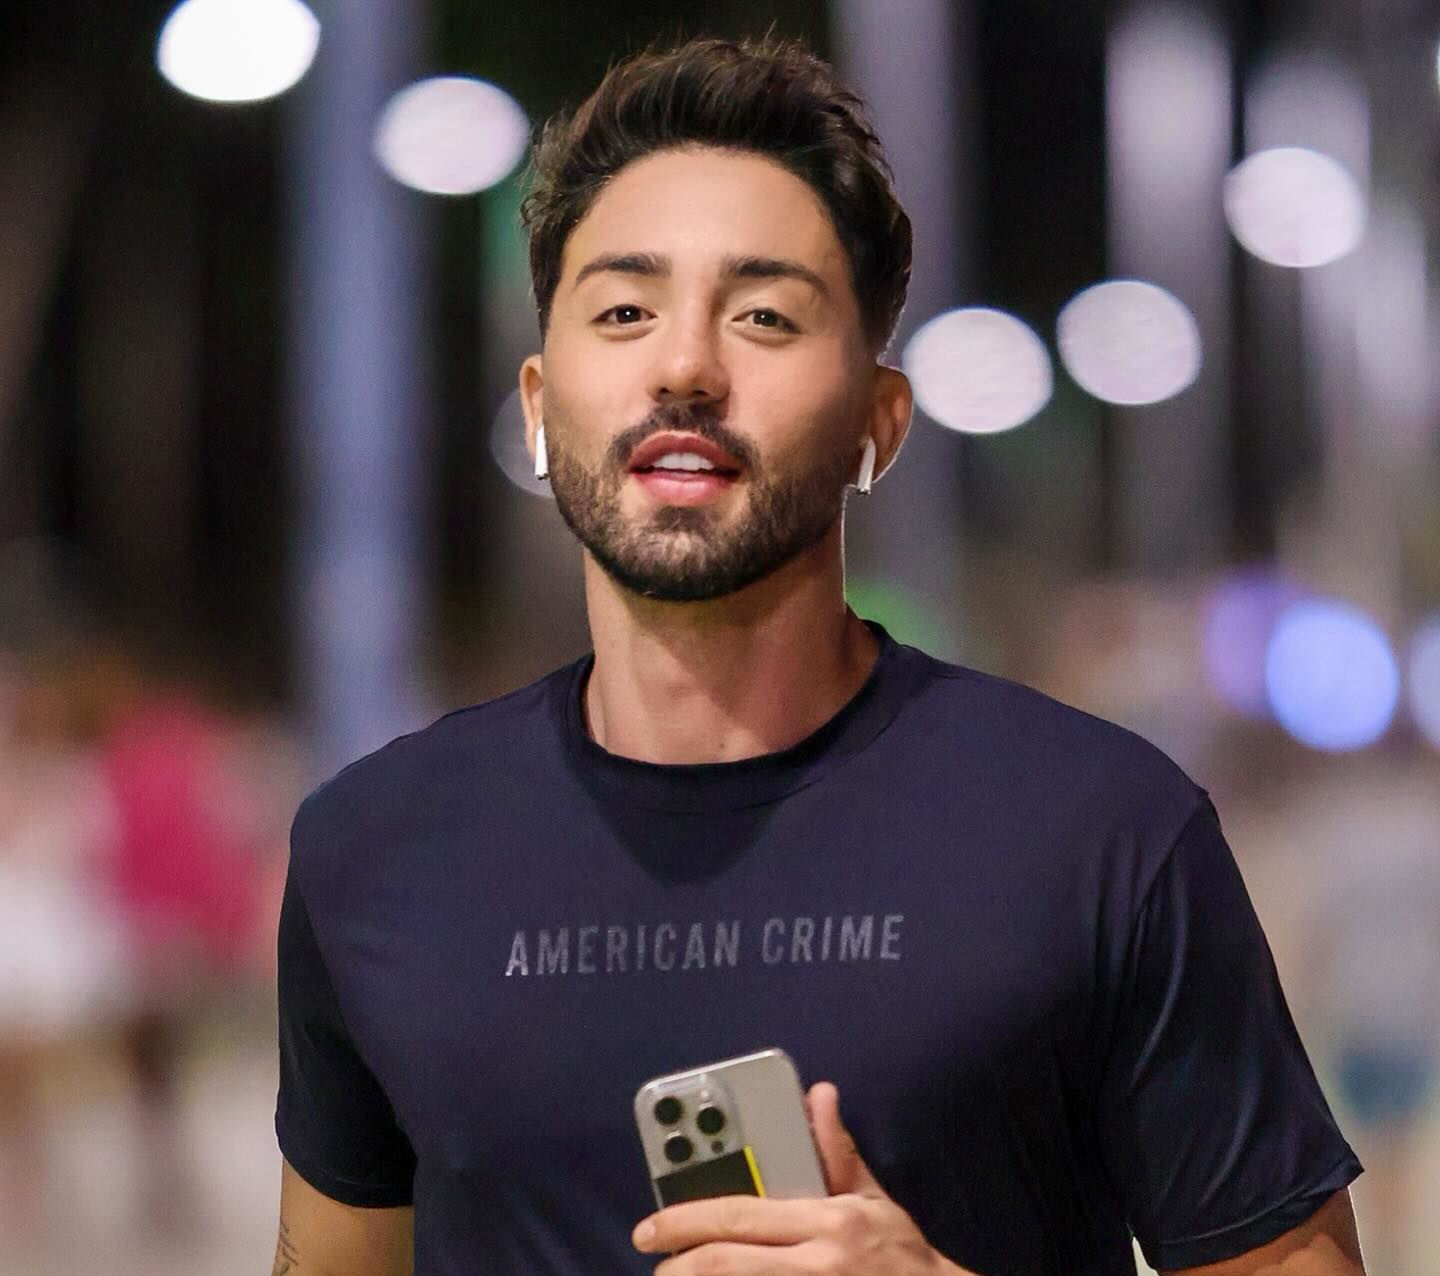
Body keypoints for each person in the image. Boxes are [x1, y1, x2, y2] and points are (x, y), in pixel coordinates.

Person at [272, 35, 1366, 1276]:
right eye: (624, 311)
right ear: (536, 404)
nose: (685, 366)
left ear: (876, 425)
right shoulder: (374, 850)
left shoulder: (1102, 833)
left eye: (765, 316)